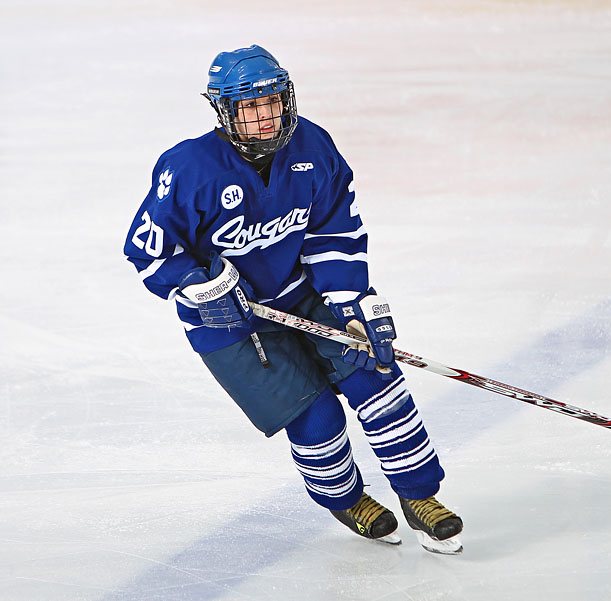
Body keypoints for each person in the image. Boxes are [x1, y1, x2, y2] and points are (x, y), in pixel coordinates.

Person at [123, 45, 463, 554]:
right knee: (316, 417)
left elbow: (335, 231)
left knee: (378, 380)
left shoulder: (313, 147)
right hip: (231, 323)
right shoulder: (190, 168)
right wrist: (198, 288)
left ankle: (420, 497)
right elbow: (148, 251)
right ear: (225, 110)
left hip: (303, 292)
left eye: (272, 102)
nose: (265, 117)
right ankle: (346, 500)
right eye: (249, 107)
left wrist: (351, 304)